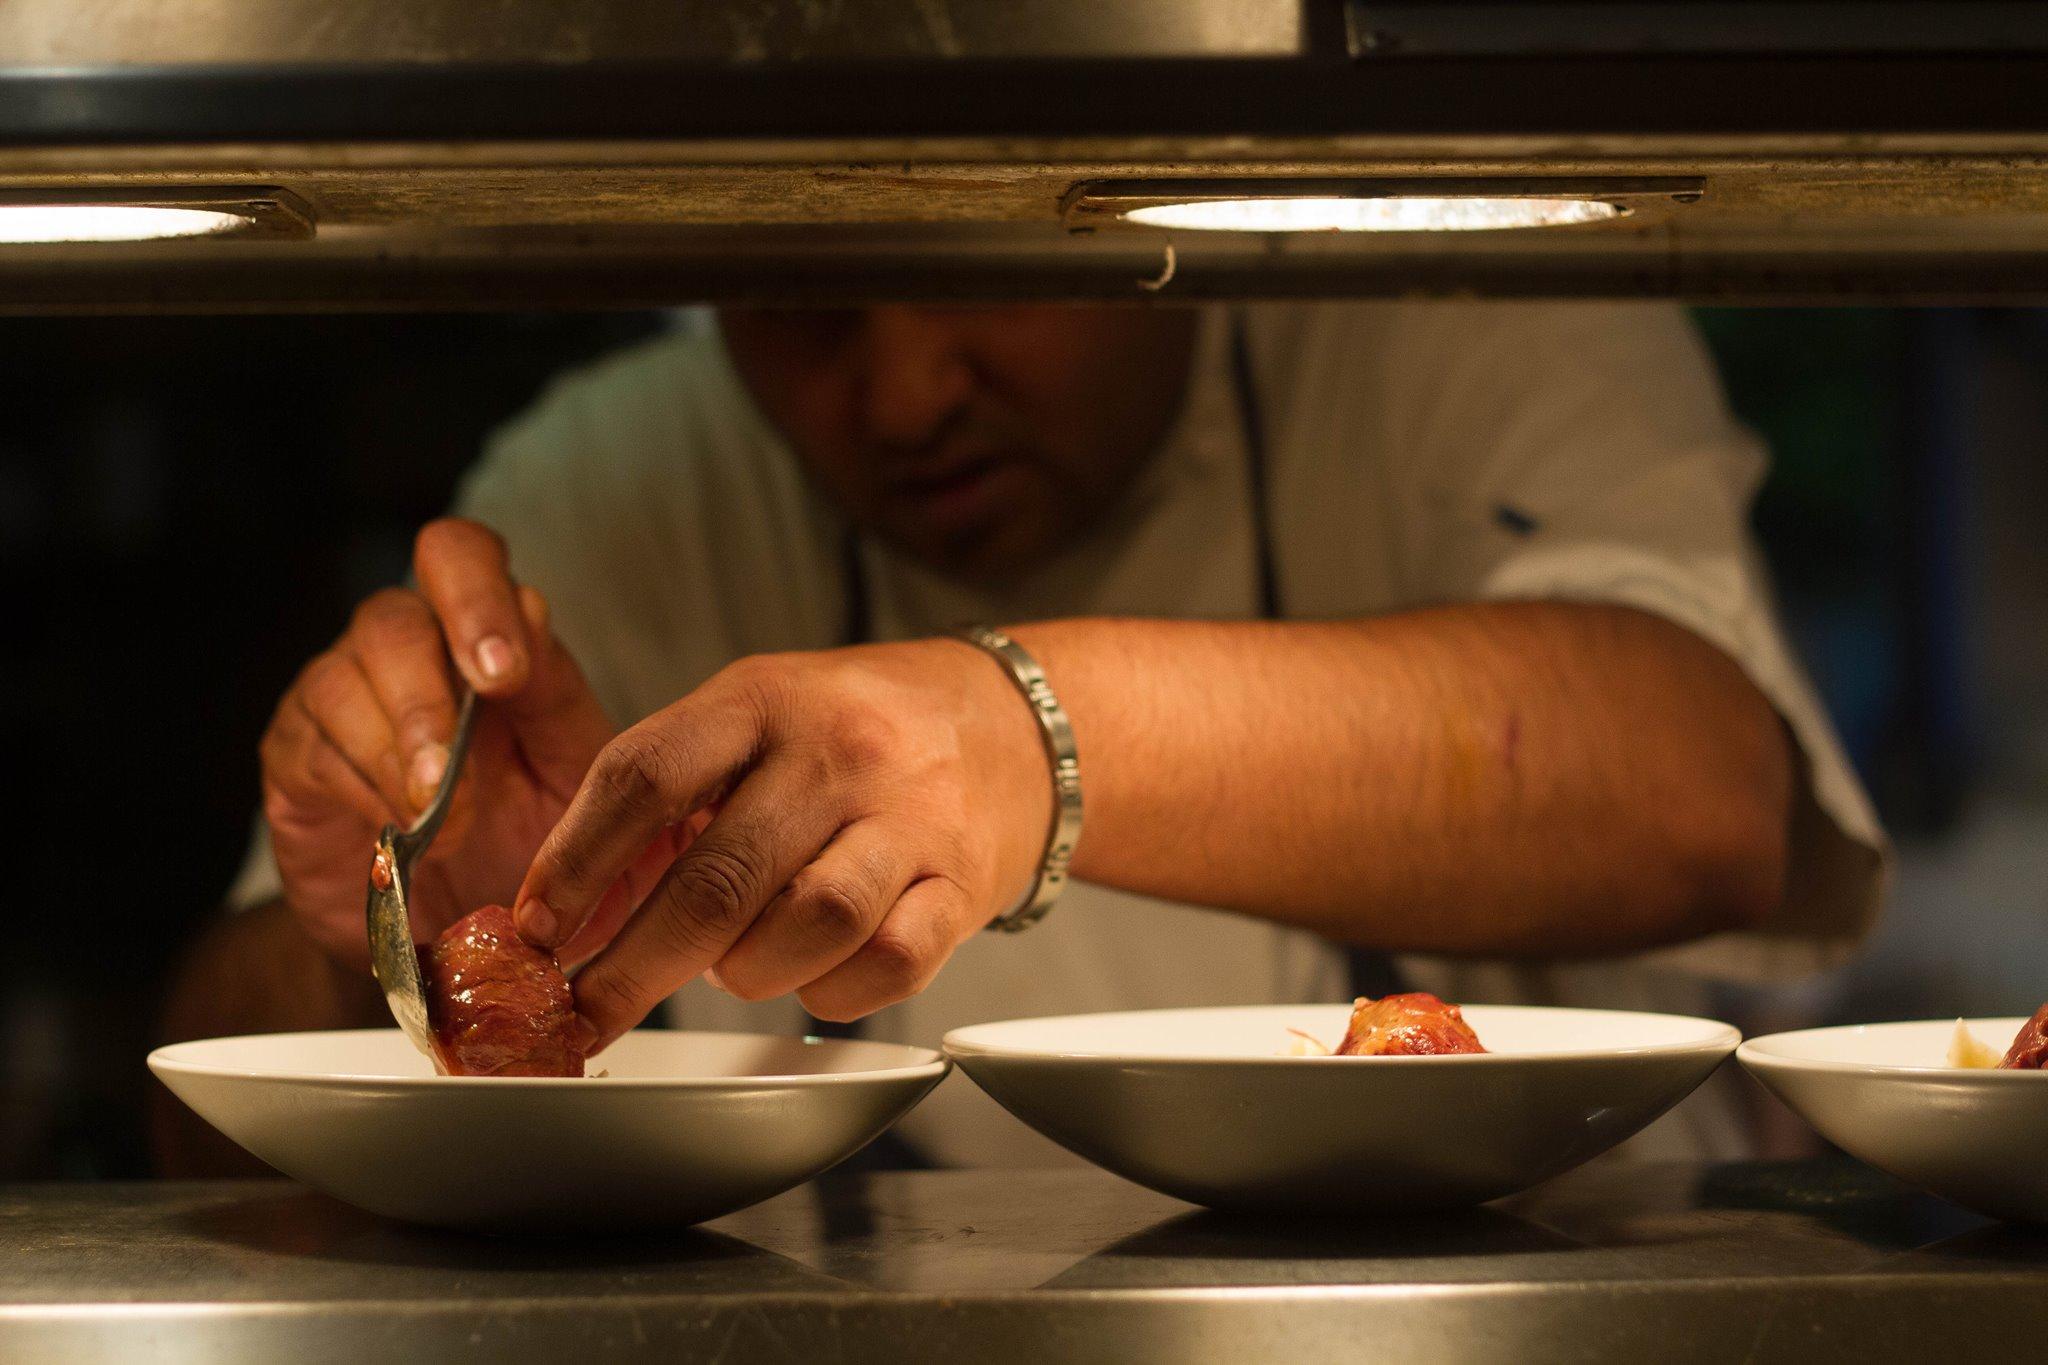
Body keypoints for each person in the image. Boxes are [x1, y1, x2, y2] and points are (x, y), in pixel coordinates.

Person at [161, 302, 1885, 1172]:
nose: (908, 392)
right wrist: (388, 945)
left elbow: (1711, 795)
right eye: (809, 305)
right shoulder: (620, 479)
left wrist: (1019, 736)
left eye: (984, 257)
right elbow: (201, 1146)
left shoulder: (1430, 293)